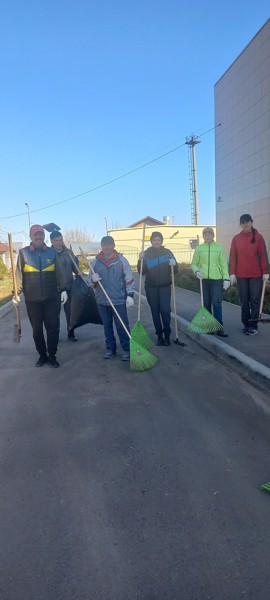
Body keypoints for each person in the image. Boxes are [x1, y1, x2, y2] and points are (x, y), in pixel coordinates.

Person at [13, 224, 67, 367]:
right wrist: (16, 293)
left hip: (51, 299)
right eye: (36, 234)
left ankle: (52, 355)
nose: (39, 237)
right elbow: (18, 275)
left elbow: (59, 273)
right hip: (32, 301)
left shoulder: (51, 252)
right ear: (30, 236)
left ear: (44, 236)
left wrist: (63, 290)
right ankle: (42, 356)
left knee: (53, 328)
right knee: (37, 330)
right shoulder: (23, 253)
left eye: (41, 234)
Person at [89, 235, 135, 361]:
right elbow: (89, 280)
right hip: (102, 300)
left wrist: (130, 295)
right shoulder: (95, 262)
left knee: (122, 326)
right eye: (104, 244)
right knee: (107, 326)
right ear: (102, 246)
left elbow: (129, 279)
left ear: (114, 245)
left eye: (109, 244)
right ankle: (110, 349)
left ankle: (127, 349)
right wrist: (93, 280)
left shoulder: (121, 260)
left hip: (118, 300)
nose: (107, 247)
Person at [229, 214, 269, 335]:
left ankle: (253, 325)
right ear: (240, 224)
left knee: (255, 300)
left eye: (247, 222)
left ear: (251, 222)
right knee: (244, 300)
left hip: (255, 274)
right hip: (241, 275)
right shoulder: (236, 239)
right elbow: (233, 257)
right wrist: (232, 273)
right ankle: (246, 324)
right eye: (243, 222)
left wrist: (266, 272)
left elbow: (263, 256)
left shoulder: (258, 237)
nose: (245, 224)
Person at [137, 231, 178, 346]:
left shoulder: (168, 252)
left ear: (161, 241)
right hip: (151, 287)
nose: (156, 242)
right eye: (154, 240)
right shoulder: (146, 253)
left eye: (158, 239)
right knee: (155, 311)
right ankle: (159, 335)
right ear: (151, 241)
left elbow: (175, 271)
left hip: (165, 286)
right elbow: (142, 272)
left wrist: (174, 264)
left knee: (165, 310)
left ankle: (167, 335)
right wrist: (140, 260)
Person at [191, 227, 230, 337]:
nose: (207, 236)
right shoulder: (199, 248)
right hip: (203, 280)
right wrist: (196, 271)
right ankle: (209, 327)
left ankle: (220, 328)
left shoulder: (219, 247)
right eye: (205, 234)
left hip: (216, 280)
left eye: (209, 234)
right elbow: (193, 263)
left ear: (213, 235)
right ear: (203, 236)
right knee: (206, 304)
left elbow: (223, 264)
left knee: (217, 304)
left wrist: (226, 278)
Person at [50, 230, 79, 341]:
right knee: (54, 314)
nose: (59, 242)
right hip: (54, 289)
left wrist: (79, 272)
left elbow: (75, 268)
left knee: (70, 313)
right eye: (56, 240)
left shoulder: (69, 253)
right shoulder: (49, 253)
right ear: (52, 241)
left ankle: (71, 333)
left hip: (69, 287)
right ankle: (55, 335)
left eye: (61, 240)